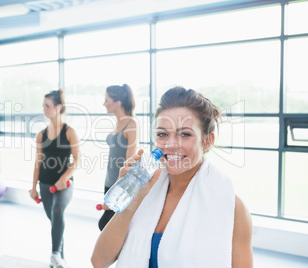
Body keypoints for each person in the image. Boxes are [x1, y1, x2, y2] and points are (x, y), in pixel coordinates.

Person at [91, 86, 253, 268]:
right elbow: (99, 261)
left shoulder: (232, 208)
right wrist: (132, 202)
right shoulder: (145, 189)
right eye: (162, 134)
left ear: (207, 141)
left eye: (184, 134)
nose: (171, 144)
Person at [30, 89, 80, 268]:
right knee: (54, 223)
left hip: (64, 184)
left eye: (47, 106)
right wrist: (34, 186)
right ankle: (60, 261)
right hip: (45, 183)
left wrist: (64, 178)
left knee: (58, 211)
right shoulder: (41, 134)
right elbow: (38, 162)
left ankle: (55, 253)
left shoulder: (69, 132)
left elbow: (77, 160)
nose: (44, 109)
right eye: (44, 106)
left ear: (58, 107)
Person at [98, 84, 138, 231]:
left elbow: (129, 163)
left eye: (107, 100)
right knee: (107, 227)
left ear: (118, 102)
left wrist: (115, 190)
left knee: (105, 225)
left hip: (120, 186)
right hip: (109, 182)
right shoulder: (117, 123)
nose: (104, 104)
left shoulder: (131, 124)